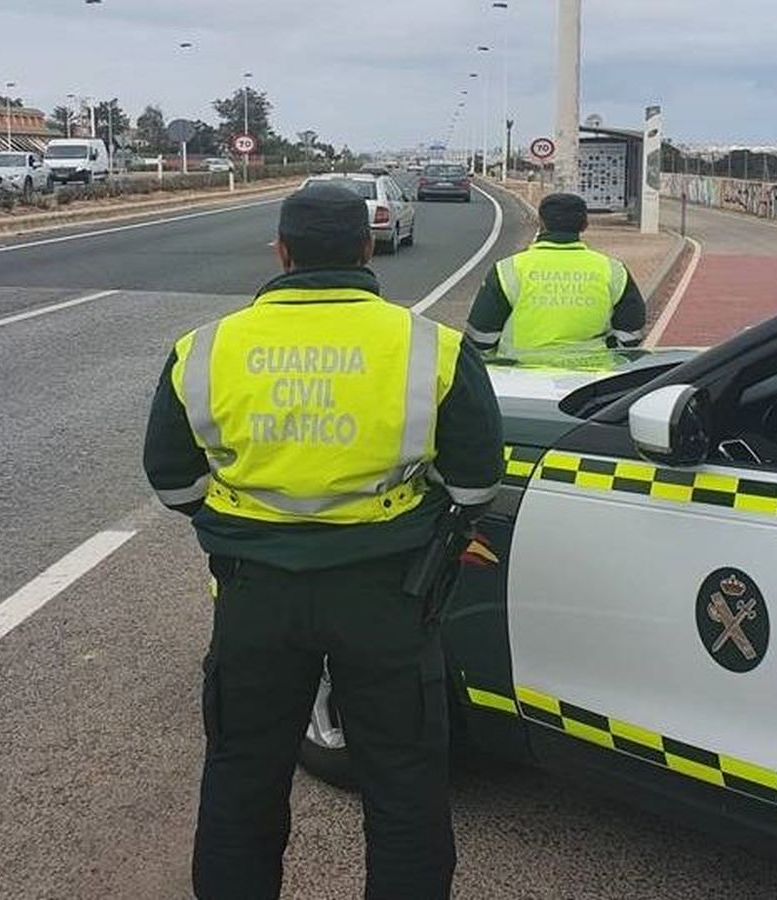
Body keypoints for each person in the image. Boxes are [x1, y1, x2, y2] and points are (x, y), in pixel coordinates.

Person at [143, 183, 505, 900]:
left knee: (242, 779)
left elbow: (173, 483)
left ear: (281, 253)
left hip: (254, 594)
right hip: (388, 597)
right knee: (404, 788)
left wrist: (251, 519)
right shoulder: (430, 346)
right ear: (368, 247)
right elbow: (474, 485)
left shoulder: (206, 348)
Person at [464, 192, 648, 362]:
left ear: (541, 223)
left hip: (520, 376)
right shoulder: (613, 270)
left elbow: (480, 338)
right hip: (591, 380)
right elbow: (631, 336)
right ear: (585, 225)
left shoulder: (507, 270)